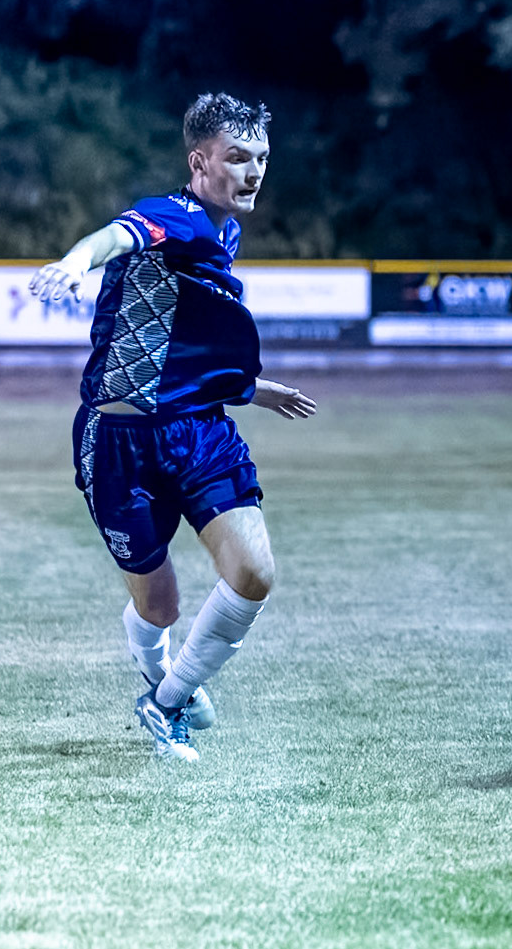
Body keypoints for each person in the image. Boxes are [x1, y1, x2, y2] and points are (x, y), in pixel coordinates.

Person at [29, 93, 316, 762]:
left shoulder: (228, 231)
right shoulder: (175, 215)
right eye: (237, 157)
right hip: (120, 441)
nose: (252, 172)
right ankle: (161, 674)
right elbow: (118, 235)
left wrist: (253, 389)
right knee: (160, 607)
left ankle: (164, 705)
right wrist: (76, 264)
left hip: (199, 429)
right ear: (200, 160)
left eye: (262, 159)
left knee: (253, 572)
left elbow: (187, 338)